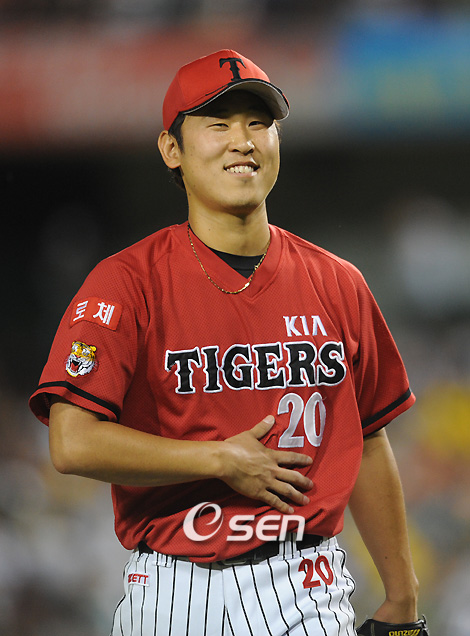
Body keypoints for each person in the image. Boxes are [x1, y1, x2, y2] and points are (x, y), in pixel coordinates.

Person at [30, 49, 421, 636]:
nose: (243, 141)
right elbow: (72, 442)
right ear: (172, 149)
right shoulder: (126, 282)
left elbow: (366, 439)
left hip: (306, 582)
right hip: (175, 587)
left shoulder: (338, 282)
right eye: (218, 124)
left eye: (258, 124)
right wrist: (218, 458)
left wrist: (402, 596)